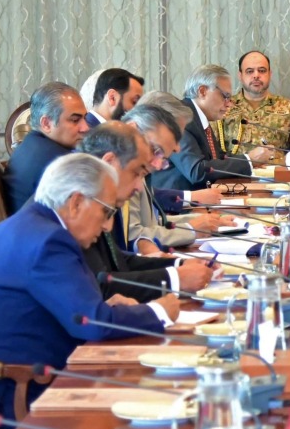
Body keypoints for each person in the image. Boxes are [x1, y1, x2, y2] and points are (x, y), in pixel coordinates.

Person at [0, 154, 178, 429]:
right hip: (18, 394)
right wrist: (158, 311)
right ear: (76, 202)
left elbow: (76, 311)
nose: (108, 226)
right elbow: (91, 323)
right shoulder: (48, 242)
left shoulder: (32, 225)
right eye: (106, 211)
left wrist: (105, 309)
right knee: (155, 404)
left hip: (17, 382)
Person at [77, 123, 214, 300]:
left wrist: (179, 264)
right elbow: (101, 286)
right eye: (136, 174)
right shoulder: (77, 211)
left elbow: (119, 262)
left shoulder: (96, 199)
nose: (139, 187)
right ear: (109, 162)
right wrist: (175, 279)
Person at [126, 94, 233, 253]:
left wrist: (204, 222)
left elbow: (152, 223)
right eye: (157, 150)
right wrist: (191, 229)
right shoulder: (123, 170)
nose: (178, 147)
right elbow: (133, 237)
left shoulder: (136, 165)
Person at [152, 64, 271, 191]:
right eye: (225, 96)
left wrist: (251, 161)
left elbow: (217, 157)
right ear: (202, 91)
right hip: (179, 200)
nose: (229, 104)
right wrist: (248, 160)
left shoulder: (199, 117)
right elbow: (196, 171)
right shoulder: (181, 118)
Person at [2, 82, 90, 213]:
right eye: (75, 120)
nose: (85, 128)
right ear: (46, 123)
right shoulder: (59, 163)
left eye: (85, 118)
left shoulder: (29, 144)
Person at [219, 50, 290, 164]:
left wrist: (283, 160)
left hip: (277, 173)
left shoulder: (288, 107)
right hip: (235, 173)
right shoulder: (223, 107)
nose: (256, 75)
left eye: (262, 70)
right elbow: (210, 150)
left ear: (270, 74)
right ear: (240, 75)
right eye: (249, 71)